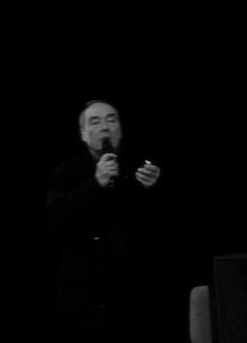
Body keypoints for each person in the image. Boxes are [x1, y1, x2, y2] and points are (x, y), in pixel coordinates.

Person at [46, 99, 162, 342]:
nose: (105, 127)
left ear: (120, 128)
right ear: (83, 133)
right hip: (84, 301)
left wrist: (154, 189)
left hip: (135, 299)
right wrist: (95, 183)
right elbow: (57, 220)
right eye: (95, 121)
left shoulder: (139, 169)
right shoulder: (65, 173)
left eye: (111, 120)